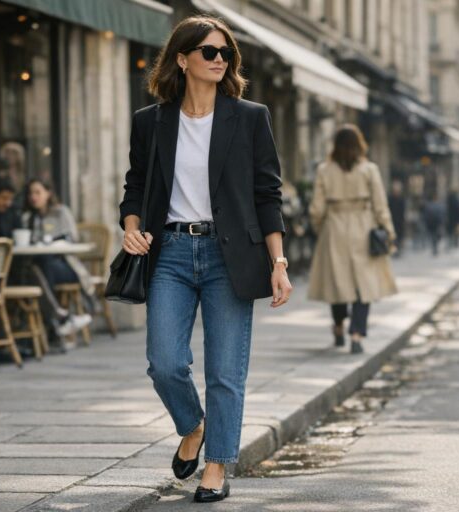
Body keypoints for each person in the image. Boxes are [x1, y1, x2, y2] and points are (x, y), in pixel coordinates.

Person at [119, 15, 291, 503]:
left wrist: (279, 263)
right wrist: (131, 229)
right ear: (182, 59)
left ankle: (216, 465)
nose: (219, 60)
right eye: (209, 52)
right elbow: (135, 185)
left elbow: (267, 194)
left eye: (225, 53)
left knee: (225, 372)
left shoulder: (249, 117)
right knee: (165, 363)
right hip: (170, 252)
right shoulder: (151, 121)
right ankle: (192, 425)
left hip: (229, 255)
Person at [307, 125, 398, 355]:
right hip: (363, 228)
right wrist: (388, 231)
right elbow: (380, 205)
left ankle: (338, 327)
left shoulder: (324, 170)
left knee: (337, 283)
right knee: (362, 285)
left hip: (334, 228)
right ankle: (357, 334)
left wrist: (320, 229)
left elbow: (316, 208)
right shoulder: (369, 169)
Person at [20, 179, 92, 340]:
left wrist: (53, 241)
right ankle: (60, 319)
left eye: (37, 192)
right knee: (36, 269)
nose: (33, 197)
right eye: (30, 193)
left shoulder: (61, 212)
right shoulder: (28, 218)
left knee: (42, 267)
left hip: (66, 266)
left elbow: (73, 238)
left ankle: (53, 326)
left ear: (48, 193)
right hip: (41, 264)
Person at [422, 192, 445, 256]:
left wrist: (426, 222)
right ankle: (435, 248)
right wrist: (442, 222)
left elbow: (426, 215)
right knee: (436, 235)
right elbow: (442, 214)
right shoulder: (439, 205)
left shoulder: (429, 205)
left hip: (431, 223)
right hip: (436, 223)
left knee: (433, 236)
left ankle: (434, 248)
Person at [387, 180, 406, 255]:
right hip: (392, 220)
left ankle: (398, 249)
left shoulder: (401, 199)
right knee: (392, 236)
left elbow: (403, 211)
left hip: (399, 222)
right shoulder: (390, 199)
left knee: (399, 236)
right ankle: (393, 249)